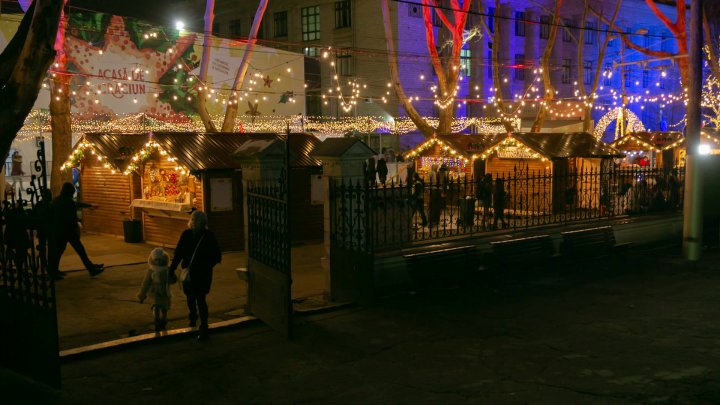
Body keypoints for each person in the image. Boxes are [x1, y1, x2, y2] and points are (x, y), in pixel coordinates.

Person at [170, 210, 221, 341]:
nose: (192, 222)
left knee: (194, 297)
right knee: (199, 298)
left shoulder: (189, 235)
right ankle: (200, 322)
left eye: (194, 219)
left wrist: (173, 268)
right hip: (201, 273)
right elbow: (217, 257)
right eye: (192, 219)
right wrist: (206, 265)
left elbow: (178, 253)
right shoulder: (208, 236)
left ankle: (196, 320)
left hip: (196, 272)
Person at [48, 182, 104, 279]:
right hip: (68, 231)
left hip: (59, 230)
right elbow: (73, 214)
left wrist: (89, 205)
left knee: (59, 251)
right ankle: (91, 269)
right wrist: (77, 228)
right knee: (80, 251)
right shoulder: (68, 202)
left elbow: (76, 205)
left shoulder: (57, 200)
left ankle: (54, 271)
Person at [138, 248, 173, 332]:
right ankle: (156, 319)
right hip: (154, 292)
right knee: (156, 306)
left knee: (164, 307)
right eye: (156, 260)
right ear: (153, 260)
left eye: (160, 260)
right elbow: (146, 283)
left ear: (164, 259)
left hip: (164, 291)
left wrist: (172, 278)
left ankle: (163, 320)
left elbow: (172, 280)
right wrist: (142, 294)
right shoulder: (151, 270)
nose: (158, 262)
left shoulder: (167, 269)